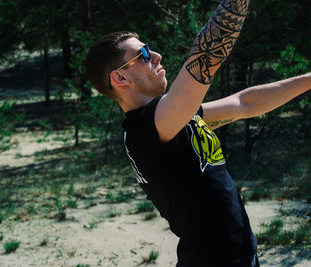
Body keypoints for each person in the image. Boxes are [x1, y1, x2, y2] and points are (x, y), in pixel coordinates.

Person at [85, 0, 311, 266]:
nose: (156, 55)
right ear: (120, 78)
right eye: (143, 54)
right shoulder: (146, 130)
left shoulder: (169, 119)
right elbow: (206, 56)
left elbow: (244, 104)